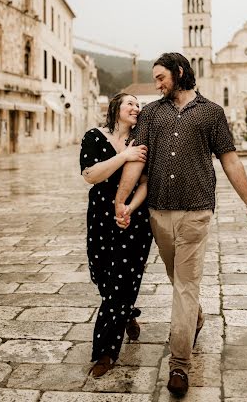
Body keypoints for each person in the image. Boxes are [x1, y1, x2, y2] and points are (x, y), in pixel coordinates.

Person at [115, 52, 247, 397]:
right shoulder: (151, 113)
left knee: (185, 284)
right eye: (154, 79)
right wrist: (121, 200)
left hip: (196, 212)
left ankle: (180, 365)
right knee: (177, 279)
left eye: (161, 77)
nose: (157, 83)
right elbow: (137, 161)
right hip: (158, 212)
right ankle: (193, 317)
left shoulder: (212, 113)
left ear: (179, 72)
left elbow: (229, 160)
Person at [80, 93, 153, 378]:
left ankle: (106, 353)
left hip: (134, 218)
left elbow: (146, 182)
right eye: (130, 104)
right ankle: (127, 314)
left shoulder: (142, 140)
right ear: (116, 109)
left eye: (139, 105)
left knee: (123, 278)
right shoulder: (94, 136)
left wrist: (129, 209)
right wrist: (124, 156)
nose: (136, 108)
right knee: (102, 275)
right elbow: (90, 175)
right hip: (100, 215)